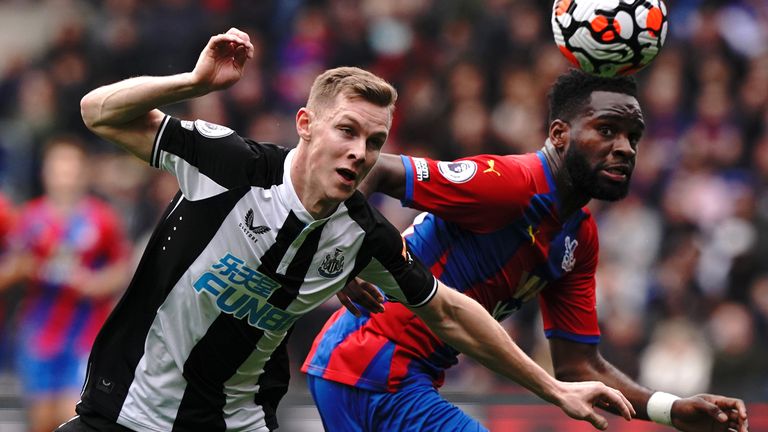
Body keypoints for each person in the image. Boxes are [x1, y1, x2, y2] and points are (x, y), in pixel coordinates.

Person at [60, 28, 635, 432]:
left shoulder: (360, 236)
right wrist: (194, 82)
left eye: (376, 142)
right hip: (125, 411)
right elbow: (97, 111)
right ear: (306, 125)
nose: (361, 153)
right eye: (347, 131)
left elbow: (451, 312)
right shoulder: (229, 164)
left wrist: (554, 390)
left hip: (237, 421)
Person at [302, 69, 750, 432]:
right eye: (607, 130)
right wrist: (346, 254)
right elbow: (375, 169)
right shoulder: (509, 184)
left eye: (634, 136)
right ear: (559, 134)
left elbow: (576, 365)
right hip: (371, 359)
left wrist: (671, 410)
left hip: (389, 372)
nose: (624, 149)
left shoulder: (579, 239)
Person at [0, 136, 131, 432]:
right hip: (39, 334)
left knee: (70, 418)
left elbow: (120, 270)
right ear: (45, 172)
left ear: (84, 172)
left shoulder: (102, 218)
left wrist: (94, 283)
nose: (64, 174)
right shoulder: (29, 218)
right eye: (58, 166)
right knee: (42, 421)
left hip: (84, 335)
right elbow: (11, 268)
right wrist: (23, 268)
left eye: (71, 166)